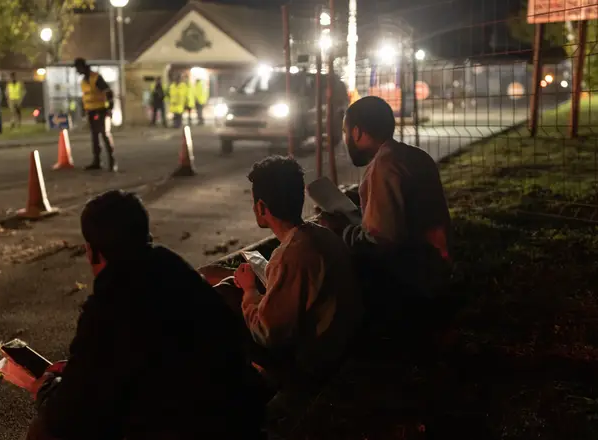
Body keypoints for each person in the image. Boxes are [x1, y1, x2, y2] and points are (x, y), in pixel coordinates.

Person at [25, 190, 265, 440]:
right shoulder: (179, 273)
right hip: (240, 417)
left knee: (43, 431)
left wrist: (46, 389)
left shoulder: (108, 304)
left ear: (93, 252)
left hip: (184, 427)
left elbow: (69, 411)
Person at [210, 156, 363, 391]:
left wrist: (250, 290)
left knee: (227, 296)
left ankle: (251, 389)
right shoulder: (321, 234)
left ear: (261, 207)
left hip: (316, 361)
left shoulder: (293, 254)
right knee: (235, 284)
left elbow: (267, 333)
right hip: (341, 343)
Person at [318, 96, 453, 339]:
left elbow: (381, 242)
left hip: (411, 283)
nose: (345, 140)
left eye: (345, 132)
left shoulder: (384, 166)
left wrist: (339, 230)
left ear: (357, 132)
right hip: (435, 267)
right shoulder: (413, 155)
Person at [74, 58, 117, 172]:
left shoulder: (96, 77)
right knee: (94, 136)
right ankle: (96, 161)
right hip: (91, 111)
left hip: (100, 110)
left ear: (82, 67)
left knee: (104, 134)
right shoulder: (84, 81)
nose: (77, 71)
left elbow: (108, 92)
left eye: (77, 68)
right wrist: (85, 109)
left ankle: (112, 161)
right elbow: (86, 96)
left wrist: (110, 107)